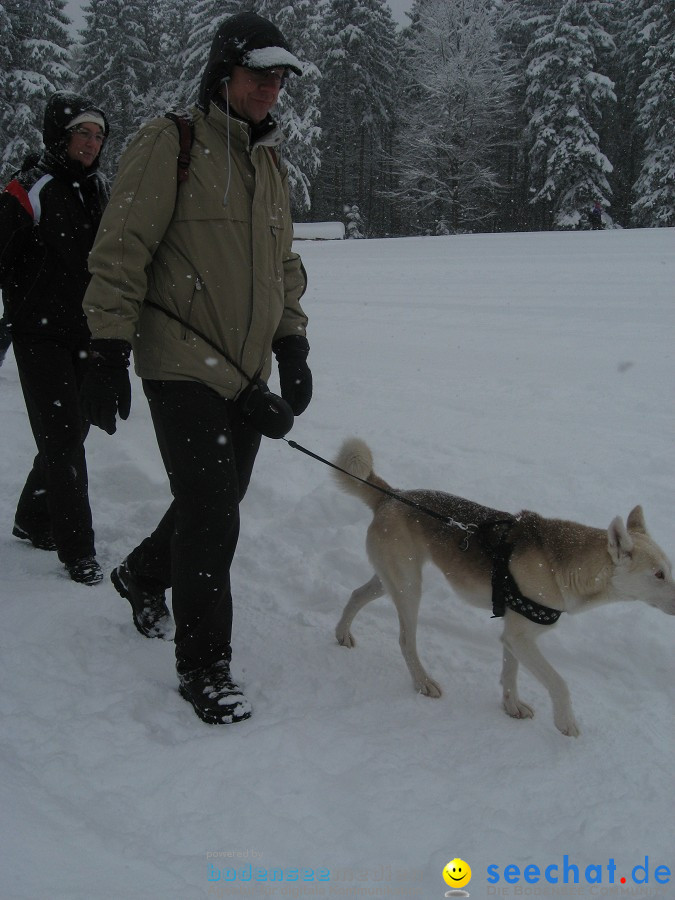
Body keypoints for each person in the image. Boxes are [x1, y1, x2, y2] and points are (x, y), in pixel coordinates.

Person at [80, 12, 313, 724]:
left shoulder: (267, 163)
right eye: (257, 75)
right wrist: (107, 347)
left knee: (214, 499)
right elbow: (121, 249)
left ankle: (142, 571)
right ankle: (205, 663)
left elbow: (283, 265)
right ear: (222, 73)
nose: (270, 90)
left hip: (244, 370)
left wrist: (292, 344)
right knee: (213, 512)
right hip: (180, 362)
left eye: (279, 78)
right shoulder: (170, 142)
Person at [0, 91, 110, 584]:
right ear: (60, 137)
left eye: (98, 135)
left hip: (85, 331)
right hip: (37, 335)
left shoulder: (97, 188)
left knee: (72, 429)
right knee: (64, 438)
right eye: (82, 133)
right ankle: (76, 549)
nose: (91, 143)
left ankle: (33, 517)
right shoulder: (27, 189)